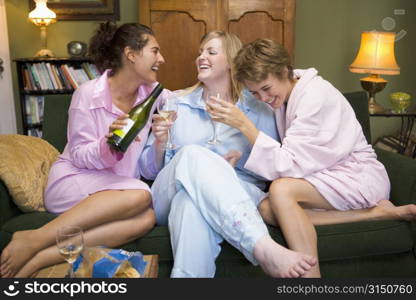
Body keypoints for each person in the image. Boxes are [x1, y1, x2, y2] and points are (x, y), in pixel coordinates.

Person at [205, 38, 416, 277]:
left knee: (282, 190)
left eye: (266, 88)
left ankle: (311, 279)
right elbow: (293, 154)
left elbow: (289, 165)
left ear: (285, 71)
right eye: (255, 92)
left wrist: (245, 125)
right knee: (265, 209)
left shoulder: (315, 96)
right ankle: (374, 215)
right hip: (325, 177)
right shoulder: (287, 94)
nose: (263, 98)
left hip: (357, 176)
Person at [139, 31, 317, 278]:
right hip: (169, 193)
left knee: (190, 205)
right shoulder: (175, 102)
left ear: (232, 61)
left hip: (238, 193)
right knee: (193, 155)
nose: (201, 57)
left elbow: (275, 166)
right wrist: (159, 143)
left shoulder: (259, 105)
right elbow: (148, 172)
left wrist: (234, 163)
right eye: (200, 52)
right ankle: (262, 247)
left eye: (211, 52)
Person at [0, 22, 168, 278]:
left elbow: (186, 99)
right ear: (131, 54)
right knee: (142, 195)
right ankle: (35, 238)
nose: (161, 59)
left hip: (116, 189)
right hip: (73, 181)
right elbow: (78, 155)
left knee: (147, 218)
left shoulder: (153, 96)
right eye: (155, 51)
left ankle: (40, 257)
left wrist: (160, 142)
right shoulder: (87, 94)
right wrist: (106, 144)